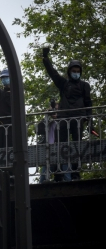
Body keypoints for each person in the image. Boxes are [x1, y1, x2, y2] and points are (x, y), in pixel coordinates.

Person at [42, 48, 92, 180]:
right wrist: (45, 58)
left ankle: (75, 172)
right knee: (60, 146)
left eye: (77, 71)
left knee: (77, 145)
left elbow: (88, 103)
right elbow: (53, 73)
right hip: (63, 119)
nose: (76, 73)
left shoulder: (84, 85)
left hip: (78, 119)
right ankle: (58, 173)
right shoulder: (64, 84)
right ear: (69, 71)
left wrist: (89, 120)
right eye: (73, 71)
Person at [37, 101, 70, 183]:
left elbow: (67, 131)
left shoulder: (64, 121)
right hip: (50, 150)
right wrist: (46, 117)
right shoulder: (49, 121)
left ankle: (69, 184)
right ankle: (42, 185)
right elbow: (38, 130)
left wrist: (58, 117)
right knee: (45, 172)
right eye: (54, 108)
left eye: (57, 108)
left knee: (66, 167)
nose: (55, 110)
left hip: (62, 149)